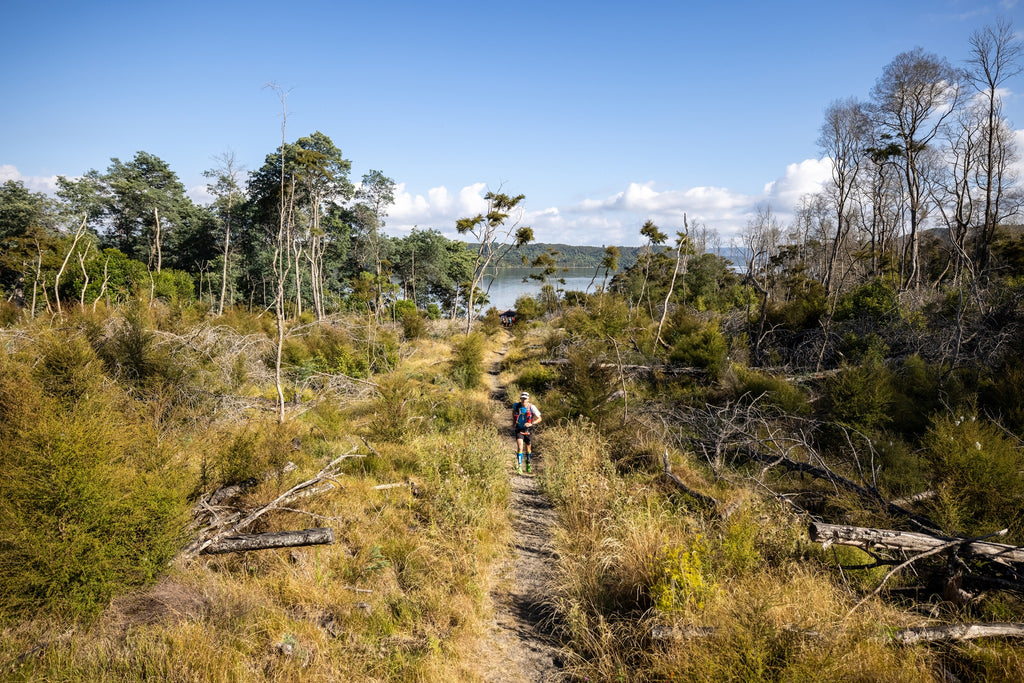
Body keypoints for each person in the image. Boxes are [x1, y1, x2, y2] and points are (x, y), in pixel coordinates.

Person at [512, 391, 541, 474]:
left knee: (528, 449)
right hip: (519, 429)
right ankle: (520, 466)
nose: (524, 400)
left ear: (528, 399)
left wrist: (531, 423)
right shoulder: (516, 406)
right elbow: (513, 412)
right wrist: (514, 422)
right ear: (520, 398)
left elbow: (539, 418)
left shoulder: (532, 407)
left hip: (528, 430)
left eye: (525, 398)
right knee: (520, 447)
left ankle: (528, 463)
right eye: (522, 398)